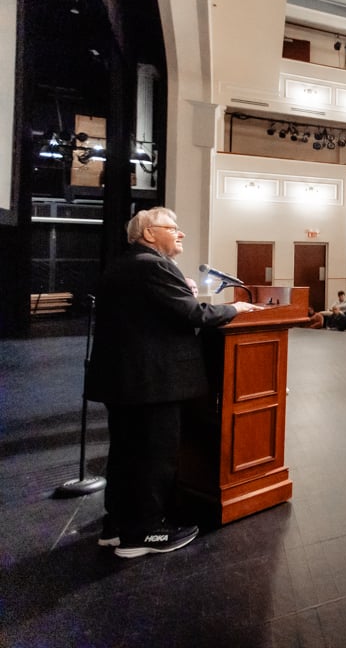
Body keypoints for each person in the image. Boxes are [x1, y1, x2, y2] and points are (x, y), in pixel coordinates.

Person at [85, 208, 261, 558]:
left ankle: (118, 526)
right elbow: (193, 315)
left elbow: (153, 315)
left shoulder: (126, 263)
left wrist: (184, 292)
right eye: (173, 228)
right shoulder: (153, 265)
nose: (181, 234)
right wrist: (236, 310)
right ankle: (144, 533)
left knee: (125, 454)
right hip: (153, 382)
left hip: (126, 381)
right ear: (149, 234)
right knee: (154, 456)